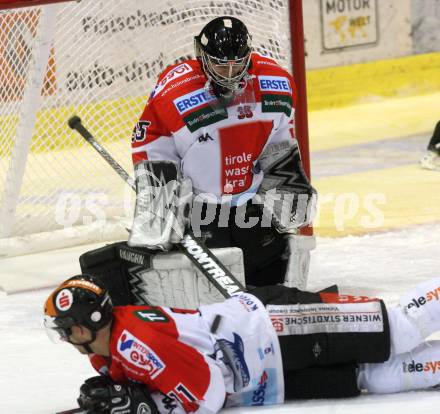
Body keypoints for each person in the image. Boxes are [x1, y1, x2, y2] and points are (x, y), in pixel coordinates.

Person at [45, 274, 440, 414]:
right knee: (375, 378)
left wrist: (146, 404)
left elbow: (209, 395)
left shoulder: (138, 343)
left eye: (65, 327)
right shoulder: (109, 350)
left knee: (400, 328)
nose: (63, 335)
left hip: (275, 326)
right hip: (269, 378)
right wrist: (128, 395)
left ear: (86, 325)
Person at [128, 16, 316, 288]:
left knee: (270, 278)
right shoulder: (175, 92)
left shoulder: (276, 83)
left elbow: (278, 139)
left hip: (249, 202)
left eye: (237, 64)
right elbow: (151, 140)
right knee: (212, 290)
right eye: (219, 64)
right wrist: (160, 199)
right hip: (200, 208)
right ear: (202, 56)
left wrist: (287, 187)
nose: (229, 73)